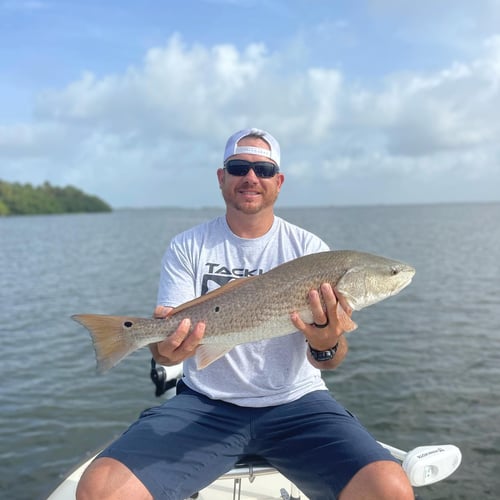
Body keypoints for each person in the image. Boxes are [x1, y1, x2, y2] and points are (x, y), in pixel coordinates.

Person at [76, 128, 414, 500]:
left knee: (391, 489)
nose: (251, 177)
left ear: (279, 182)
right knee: (100, 491)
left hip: (297, 403)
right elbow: (164, 353)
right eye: (239, 167)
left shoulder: (308, 248)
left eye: (264, 170)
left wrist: (326, 343)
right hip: (205, 404)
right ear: (222, 178)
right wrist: (165, 346)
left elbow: (330, 360)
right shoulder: (188, 246)